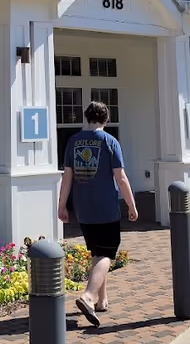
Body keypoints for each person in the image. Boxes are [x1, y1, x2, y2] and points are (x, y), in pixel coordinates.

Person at [57, 100, 137, 327]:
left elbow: (67, 177)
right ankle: (89, 296)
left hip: (83, 209)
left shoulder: (73, 141)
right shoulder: (110, 141)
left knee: (96, 251)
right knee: (107, 252)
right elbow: (120, 178)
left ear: (86, 117)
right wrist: (132, 205)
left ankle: (102, 300)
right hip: (106, 207)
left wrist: (61, 206)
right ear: (106, 119)